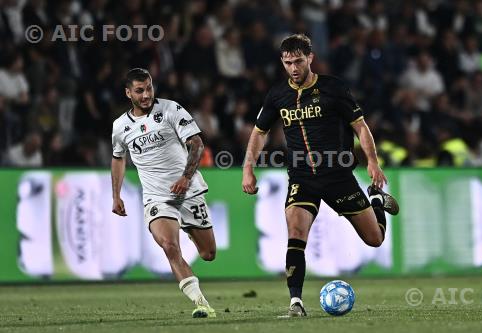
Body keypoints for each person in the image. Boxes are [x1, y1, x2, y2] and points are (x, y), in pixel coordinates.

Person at [241, 34, 399, 317]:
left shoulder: (333, 88)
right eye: (288, 62)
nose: (293, 68)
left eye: (299, 61)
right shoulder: (278, 95)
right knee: (296, 232)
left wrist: (372, 162)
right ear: (282, 62)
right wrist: (248, 167)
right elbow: (259, 132)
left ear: (310, 58)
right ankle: (296, 303)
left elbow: (360, 127)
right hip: (302, 178)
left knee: (374, 240)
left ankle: (376, 200)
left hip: (338, 177)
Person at [111, 68, 216, 318]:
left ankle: (189, 228)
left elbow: (197, 144)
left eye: (149, 88)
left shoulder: (171, 110)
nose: (146, 94)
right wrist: (116, 195)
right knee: (169, 246)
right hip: (157, 198)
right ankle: (202, 303)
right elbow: (118, 158)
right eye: (139, 90)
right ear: (128, 93)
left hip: (188, 192)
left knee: (208, 253)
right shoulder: (120, 127)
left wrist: (185, 177)